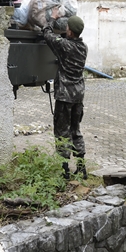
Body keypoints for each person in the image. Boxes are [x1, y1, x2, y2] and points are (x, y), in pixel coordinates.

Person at [42, 15, 89, 179]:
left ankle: (65, 171)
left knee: (62, 132)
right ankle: (82, 168)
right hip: (78, 96)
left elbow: (47, 34)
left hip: (64, 96)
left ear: (70, 31)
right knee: (76, 130)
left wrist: (50, 20)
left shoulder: (64, 45)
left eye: (67, 27)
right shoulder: (83, 47)